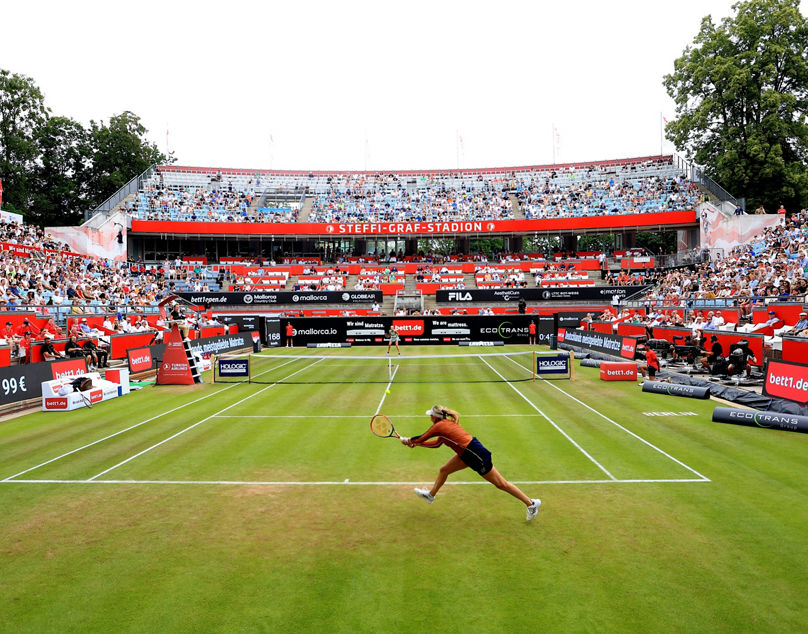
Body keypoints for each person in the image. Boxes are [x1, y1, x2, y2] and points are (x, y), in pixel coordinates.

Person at [401, 405, 541, 521]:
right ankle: (430, 496)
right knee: (444, 470)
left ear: (434, 417)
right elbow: (436, 444)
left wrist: (408, 441)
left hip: (475, 453)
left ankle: (531, 504)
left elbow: (422, 437)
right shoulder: (445, 426)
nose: (429, 418)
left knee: (501, 484)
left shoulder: (439, 426)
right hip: (466, 453)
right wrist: (416, 444)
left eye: (430, 415)